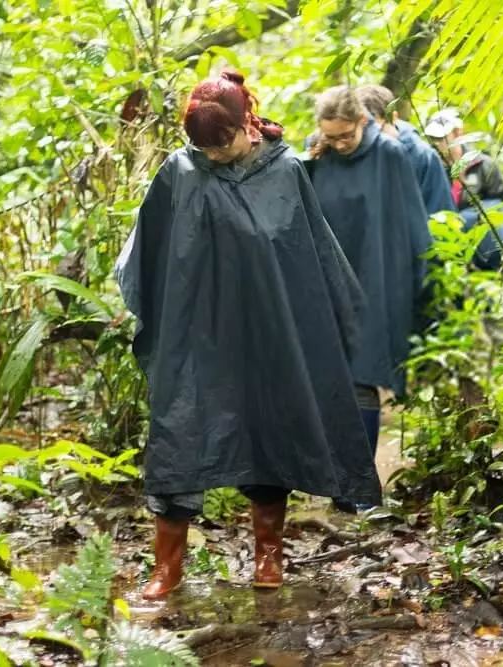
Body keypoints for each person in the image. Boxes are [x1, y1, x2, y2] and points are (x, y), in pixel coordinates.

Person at [114, 70, 382, 599]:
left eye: (222, 144)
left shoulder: (283, 170)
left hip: (268, 329)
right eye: (203, 147)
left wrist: (349, 326)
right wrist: (139, 306)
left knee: (269, 431)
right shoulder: (180, 172)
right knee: (179, 435)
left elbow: (314, 256)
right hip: (195, 335)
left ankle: (268, 557)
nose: (213, 155)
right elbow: (148, 251)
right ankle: (167, 567)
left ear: (245, 126)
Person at [305, 86, 432, 510]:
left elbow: (411, 225)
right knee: (327, 383)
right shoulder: (319, 157)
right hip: (324, 285)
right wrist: (310, 160)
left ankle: (361, 490)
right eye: (332, 136)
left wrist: (417, 287)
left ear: (363, 120)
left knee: (361, 380)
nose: (340, 144)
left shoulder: (390, 156)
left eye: (346, 135)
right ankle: (338, 483)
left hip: (373, 284)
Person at [424, 108, 503, 271]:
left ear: (458, 133)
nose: (438, 144)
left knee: (491, 206)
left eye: (442, 138)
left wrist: (474, 219)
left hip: (484, 239)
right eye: (433, 139)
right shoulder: (430, 168)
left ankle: (502, 264)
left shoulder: (483, 164)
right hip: (449, 241)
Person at [354, 84, 456, 216]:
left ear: (393, 118)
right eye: (364, 132)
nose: (371, 139)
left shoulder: (422, 157)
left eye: (376, 130)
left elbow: (442, 216)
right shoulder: (353, 153)